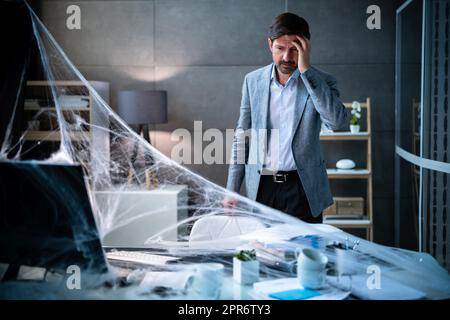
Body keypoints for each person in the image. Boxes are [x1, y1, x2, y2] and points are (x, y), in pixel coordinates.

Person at [224, 12, 350, 223]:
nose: (286, 57)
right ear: (270, 45)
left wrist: (307, 71)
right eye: (280, 49)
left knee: (303, 255)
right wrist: (232, 188)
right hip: (262, 188)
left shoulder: (322, 82)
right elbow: (242, 136)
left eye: (294, 50)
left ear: (305, 47)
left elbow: (337, 121)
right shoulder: (252, 81)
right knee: (264, 252)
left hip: (303, 189)